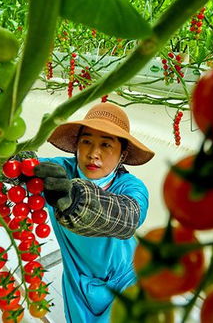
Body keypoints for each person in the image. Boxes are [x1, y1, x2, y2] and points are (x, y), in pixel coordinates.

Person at [33, 102, 155, 323]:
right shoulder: (60, 172)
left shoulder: (131, 187)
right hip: (77, 280)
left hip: (126, 283)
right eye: (86, 141)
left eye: (106, 145)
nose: (93, 154)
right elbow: (18, 168)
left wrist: (77, 200)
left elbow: (129, 217)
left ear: (122, 155)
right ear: (77, 146)